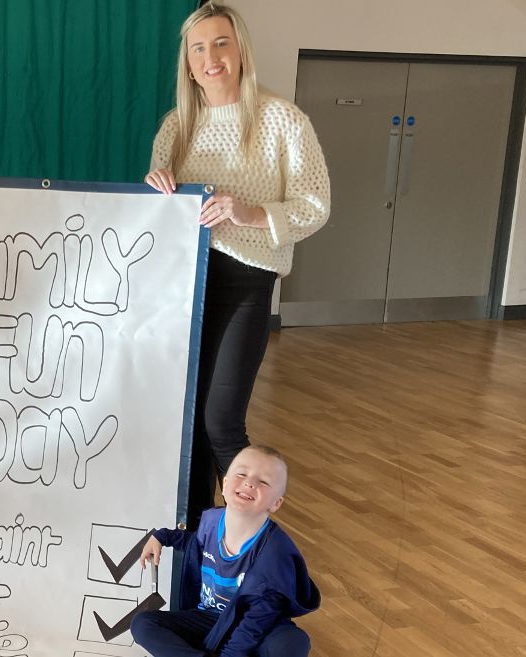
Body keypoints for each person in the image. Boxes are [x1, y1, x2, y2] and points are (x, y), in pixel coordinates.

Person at [143, 3, 330, 515]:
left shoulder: (282, 119)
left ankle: (247, 541)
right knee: (185, 421)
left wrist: (251, 214)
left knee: (221, 420)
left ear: (241, 48)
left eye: (221, 43)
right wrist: (153, 191)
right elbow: (160, 214)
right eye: (198, 47)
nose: (211, 57)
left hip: (246, 281)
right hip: (183, 286)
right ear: (188, 60)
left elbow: (316, 206)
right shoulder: (175, 127)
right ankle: (195, 541)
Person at [130, 445, 320, 657]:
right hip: (209, 619)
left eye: (263, 482)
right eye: (242, 474)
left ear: (276, 503)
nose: (249, 482)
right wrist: (162, 536)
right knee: (143, 624)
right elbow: (195, 545)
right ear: (226, 484)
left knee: (292, 643)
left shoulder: (275, 554)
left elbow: (253, 626)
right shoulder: (212, 521)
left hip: (255, 625)